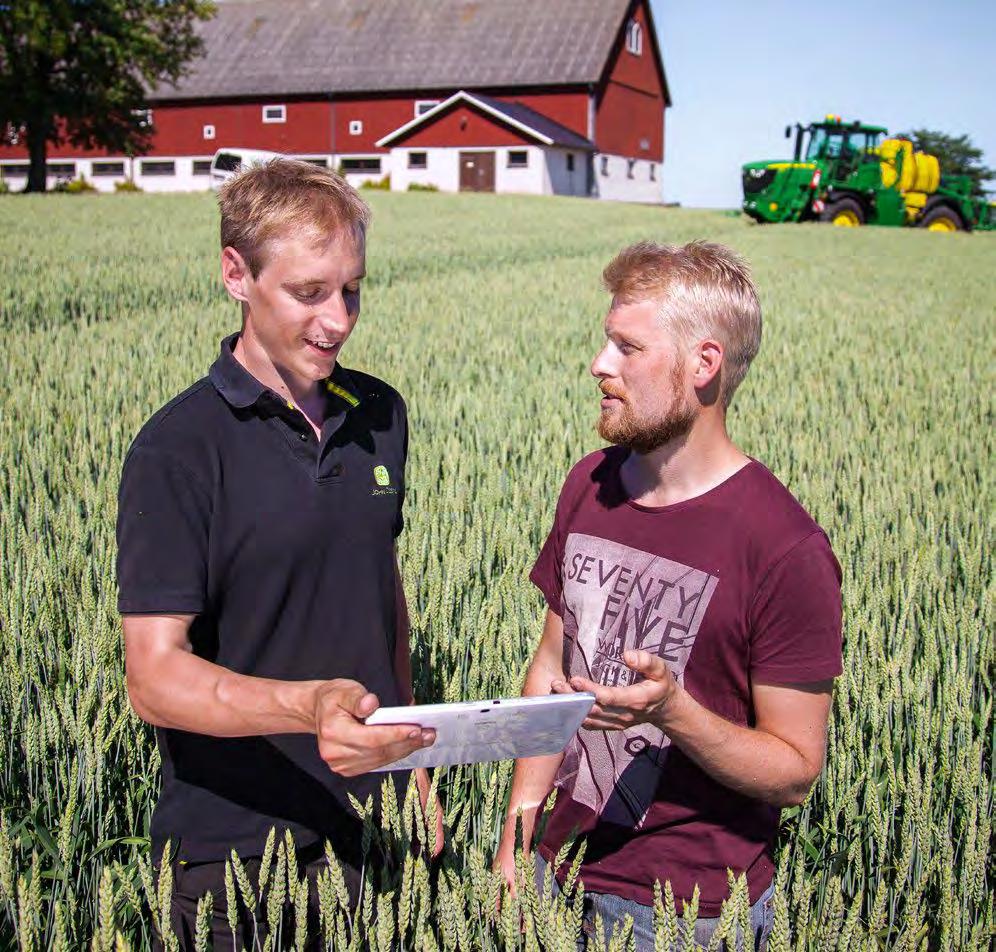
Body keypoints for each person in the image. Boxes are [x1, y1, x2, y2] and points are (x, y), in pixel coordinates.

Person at [116, 159, 438, 949]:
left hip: (366, 827)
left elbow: (378, 588)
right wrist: (308, 705)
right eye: (308, 292)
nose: (338, 320)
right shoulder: (179, 448)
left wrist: (412, 759)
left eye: (352, 289)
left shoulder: (380, 414)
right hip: (232, 853)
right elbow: (154, 679)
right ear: (236, 274)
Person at [495, 241, 842, 950]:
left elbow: (796, 772)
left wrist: (674, 712)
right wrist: (522, 821)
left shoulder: (783, 548)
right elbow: (551, 663)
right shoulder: (591, 483)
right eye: (605, 342)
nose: (600, 364)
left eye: (628, 347)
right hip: (555, 870)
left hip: (684, 915)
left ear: (703, 364)